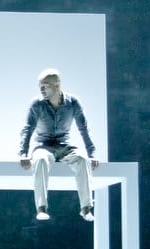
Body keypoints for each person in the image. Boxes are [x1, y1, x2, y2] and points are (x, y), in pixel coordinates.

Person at [18, 68, 99, 221]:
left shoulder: (72, 102)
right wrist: (23, 154)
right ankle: (41, 208)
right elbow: (27, 129)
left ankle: (86, 208)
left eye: (45, 85)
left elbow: (84, 128)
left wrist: (92, 154)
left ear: (57, 85)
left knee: (82, 160)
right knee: (40, 160)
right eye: (40, 86)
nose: (41, 89)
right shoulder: (37, 104)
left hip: (64, 146)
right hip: (43, 146)